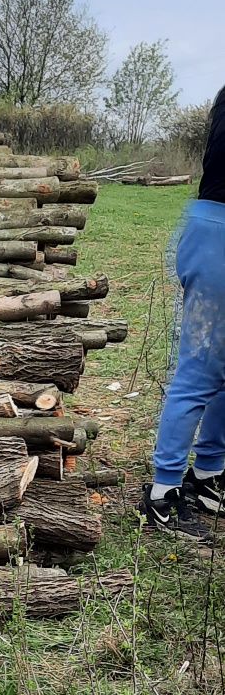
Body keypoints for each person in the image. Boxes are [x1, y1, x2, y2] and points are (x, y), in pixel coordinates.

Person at [142, 85, 225, 533]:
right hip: (220, 236)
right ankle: (163, 492)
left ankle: (209, 474)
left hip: (208, 228)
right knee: (200, 371)